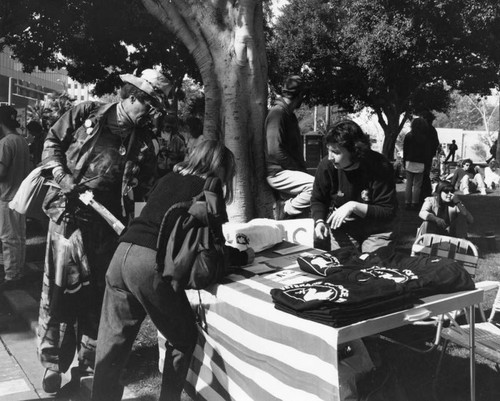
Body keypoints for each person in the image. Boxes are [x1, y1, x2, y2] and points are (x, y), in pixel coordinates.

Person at [36, 68, 171, 393]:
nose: (151, 113)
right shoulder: (87, 113)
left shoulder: (144, 144)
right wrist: (61, 174)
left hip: (109, 231)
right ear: (132, 96)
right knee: (61, 293)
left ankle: (86, 365)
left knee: (97, 298)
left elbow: (145, 194)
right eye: (149, 105)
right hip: (67, 219)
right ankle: (53, 363)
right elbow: (52, 141)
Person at [91, 140, 255, 401]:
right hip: (148, 264)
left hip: (121, 254)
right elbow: (213, 248)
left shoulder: (169, 178)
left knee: (112, 346)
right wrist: (242, 256)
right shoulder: (208, 187)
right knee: (183, 337)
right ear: (219, 166)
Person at [312, 120, 398, 253]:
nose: (330, 157)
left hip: (377, 230)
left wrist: (353, 206)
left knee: (372, 266)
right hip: (344, 230)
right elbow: (318, 199)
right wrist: (319, 221)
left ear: (354, 151)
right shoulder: (327, 166)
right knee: (345, 267)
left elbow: (388, 211)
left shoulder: (380, 166)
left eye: (335, 152)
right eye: (328, 150)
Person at [265, 75, 314, 219]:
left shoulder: (289, 115)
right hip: (277, 173)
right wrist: (297, 169)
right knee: (315, 186)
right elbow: (274, 150)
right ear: (301, 95)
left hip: (287, 171)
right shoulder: (277, 113)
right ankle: (284, 209)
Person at [0, 106, 31, 291]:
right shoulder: (21, 141)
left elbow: (1, 172)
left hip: (6, 197)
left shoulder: (5, 143)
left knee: (8, 239)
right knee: (19, 238)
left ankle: (12, 276)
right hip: (21, 196)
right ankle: (17, 272)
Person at [403, 118, 429, 210]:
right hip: (420, 163)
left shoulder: (408, 135)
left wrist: (404, 162)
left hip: (409, 161)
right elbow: (426, 153)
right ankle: (415, 203)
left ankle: (407, 203)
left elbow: (405, 151)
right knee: (417, 185)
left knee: (408, 184)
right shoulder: (425, 137)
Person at [420, 110, 441, 201]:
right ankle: (425, 193)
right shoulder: (432, 130)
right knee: (425, 175)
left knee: (421, 176)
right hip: (428, 156)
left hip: (420, 156)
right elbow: (436, 144)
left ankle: (421, 195)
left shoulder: (420, 129)